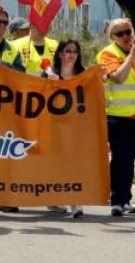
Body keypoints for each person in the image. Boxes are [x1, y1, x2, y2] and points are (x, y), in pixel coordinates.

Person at [97, 18, 135, 217]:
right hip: (116, 115)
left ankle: (124, 199)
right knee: (120, 157)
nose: (126, 36)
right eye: (120, 34)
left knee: (130, 158)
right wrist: (132, 54)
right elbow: (118, 77)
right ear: (112, 37)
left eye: (128, 31)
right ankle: (117, 199)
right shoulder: (108, 53)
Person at [44, 38, 85, 218]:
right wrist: (48, 83)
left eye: (74, 51)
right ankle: (53, 200)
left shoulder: (84, 74)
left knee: (74, 163)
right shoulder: (49, 73)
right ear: (60, 53)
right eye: (67, 51)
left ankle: (75, 202)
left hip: (76, 126)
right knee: (55, 164)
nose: (71, 55)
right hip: (54, 126)